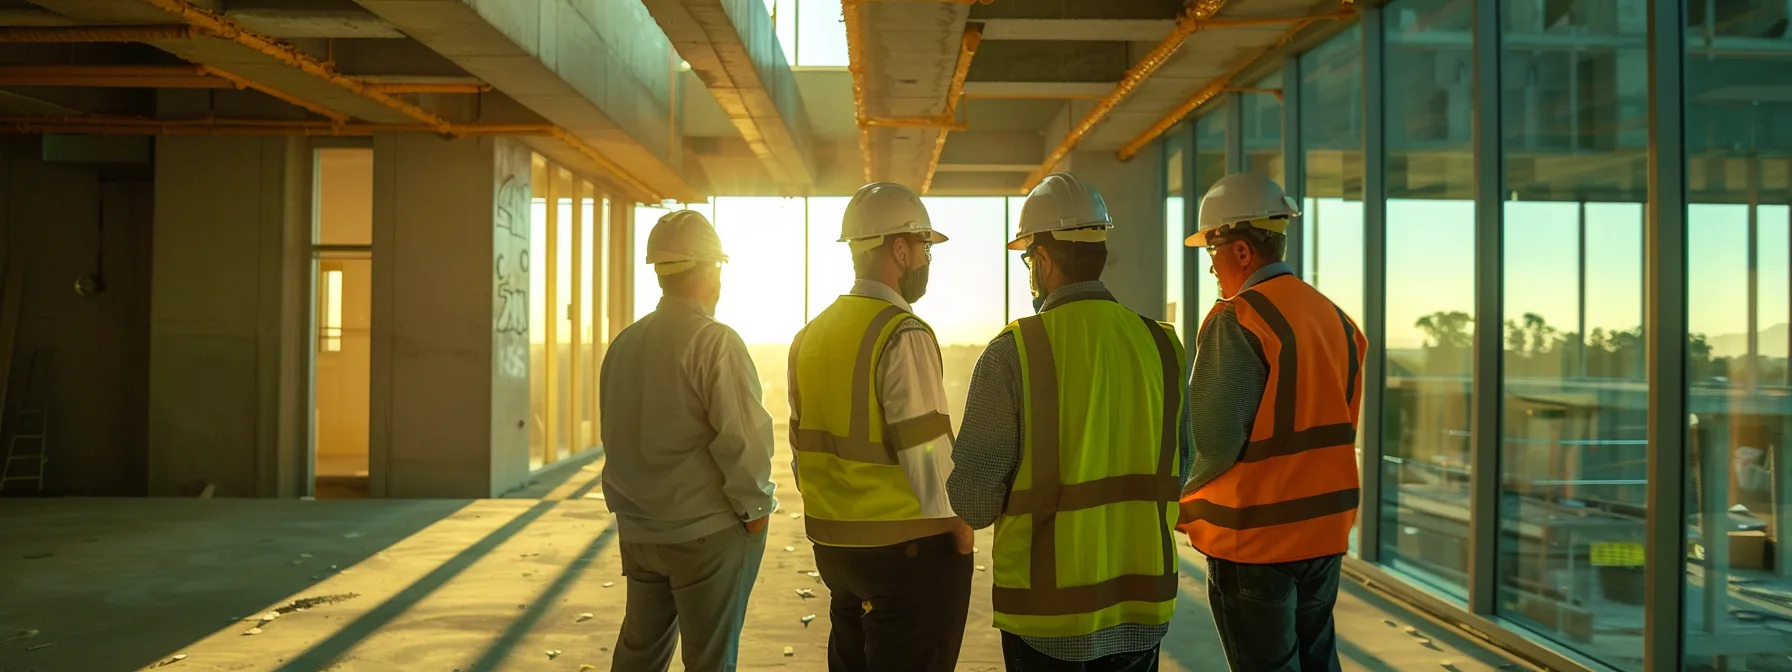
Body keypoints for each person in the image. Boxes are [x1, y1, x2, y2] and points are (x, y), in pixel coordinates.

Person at [949, 172, 1191, 672]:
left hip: (1047, 615)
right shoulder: (1163, 345)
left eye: (1027, 260)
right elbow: (1181, 467)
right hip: (1141, 602)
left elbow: (974, 503)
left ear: (1041, 260)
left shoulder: (1013, 353)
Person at [1177, 173, 1366, 672]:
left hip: (1258, 540)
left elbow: (1212, 440)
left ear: (1241, 251)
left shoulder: (1240, 317)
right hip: (1323, 531)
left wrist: (1171, 491)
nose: (1212, 267)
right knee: (1317, 660)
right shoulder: (1337, 320)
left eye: (1212, 251)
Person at [787, 181, 975, 671]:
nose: (928, 259)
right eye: (925, 247)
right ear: (899, 249)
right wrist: (959, 522)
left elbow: (798, 447)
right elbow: (926, 449)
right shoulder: (902, 332)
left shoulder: (810, 336)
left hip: (836, 550)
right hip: (905, 553)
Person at [599, 210, 777, 672]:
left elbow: (615, 437)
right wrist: (756, 512)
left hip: (639, 531)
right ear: (707, 269)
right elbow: (744, 440)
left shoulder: (625, 343)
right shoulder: (714, 342)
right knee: (710, 661)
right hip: (705, 532)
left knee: (639, 656)